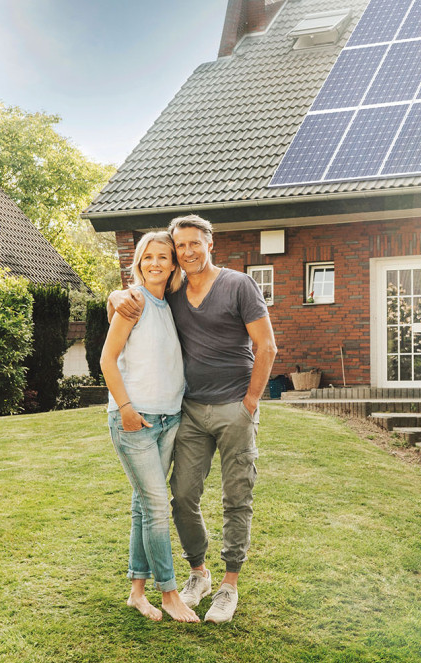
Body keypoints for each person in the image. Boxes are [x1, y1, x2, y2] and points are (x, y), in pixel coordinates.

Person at [109, 213, 277, 624]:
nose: (187, 252)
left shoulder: (238, 284)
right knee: (181, 497)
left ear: (209, 244)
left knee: (237, 498)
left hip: (234, 408)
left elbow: (267, 345)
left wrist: (250, 402)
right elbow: (136, 298)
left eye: (194, 244)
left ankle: (229, 586)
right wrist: (114, 296)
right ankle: (198, 574)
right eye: (179, 246)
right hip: (189, 411)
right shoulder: (175, 292)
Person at [100, 230, 199, 623]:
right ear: (138, 263)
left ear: (173, 264)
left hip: (168, 419)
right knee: (158, 507)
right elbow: (108, 360)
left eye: (163, 257)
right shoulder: (133, 301)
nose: (155, 263)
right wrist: (124, 407)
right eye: (147, 257)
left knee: (144, 507)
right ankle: (170, 593)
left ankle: (136, 592)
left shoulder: (168, 304)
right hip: (135, 420)